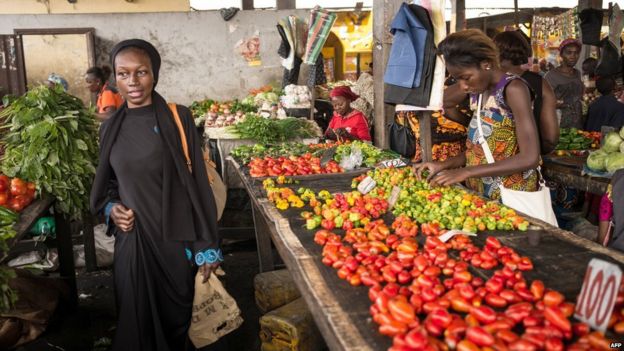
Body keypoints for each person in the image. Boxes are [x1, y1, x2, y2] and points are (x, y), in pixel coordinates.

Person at [90, 39, 223, 351]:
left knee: (179, 320)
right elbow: (108, 184)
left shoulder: (179, 118)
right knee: (136, 322)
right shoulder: (109, 129)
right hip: (133, 240)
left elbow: (198, 184)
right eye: (123, 74)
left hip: (176, 240)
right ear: (115, 79)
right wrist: (111, 208)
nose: (133, 82)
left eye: (141, 72)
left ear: (155, 73)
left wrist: (207, 244)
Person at [415, 29, 540, 200]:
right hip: (483, 194)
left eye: (466, 77)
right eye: (457, 79)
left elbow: (530, 157)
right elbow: (478, 151)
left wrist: (465, 172)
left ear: (486, 64)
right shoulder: (480, 93)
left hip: (513, 195)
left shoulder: (514, 89)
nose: (463, 86)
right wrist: (443, 165)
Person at [493, 30, 559, 154]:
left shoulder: (485, 84)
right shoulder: (541, 83)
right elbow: (551, 138)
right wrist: (538, 153)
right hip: (528, 159)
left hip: (489, 160)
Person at [544, 39, 585, 129]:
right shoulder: (551, 76)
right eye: (569, 53)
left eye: (576, 53)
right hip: (559, 122)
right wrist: (563, 104)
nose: (573, 56)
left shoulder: (577, 73)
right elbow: (544, 102)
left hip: (577, 120)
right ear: (561, 54)